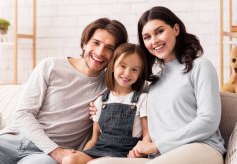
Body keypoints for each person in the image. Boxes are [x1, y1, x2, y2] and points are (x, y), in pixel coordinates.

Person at [0, 18, 128, 164]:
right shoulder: (52, 66)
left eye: (109, 48)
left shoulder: (111, 84)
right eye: (96, 43)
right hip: (12, 140)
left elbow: (139, 81)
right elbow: (23, 114)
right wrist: (56, 151)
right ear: (85, 42)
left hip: (43, 158)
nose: (100, 52)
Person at [88, 6, 226, 164]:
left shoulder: (200, 66)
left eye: (159, 31)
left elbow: (208, 121)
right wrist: (102, 99)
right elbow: (125, 92)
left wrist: (155, 146)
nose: (154, 41)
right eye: (147, 37)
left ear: (175, 29)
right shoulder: (154, 81)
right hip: (161, 155)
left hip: (201, 148)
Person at [62, 43, 151, 164]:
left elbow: (147, 136)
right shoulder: (101, 101)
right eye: (122, 66)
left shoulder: (142, 99)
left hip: (127, 152)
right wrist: (81, 153)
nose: (127, 73)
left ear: (140, 73)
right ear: (113, 66)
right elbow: (94, 139)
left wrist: (139, 151)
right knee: (69, 160)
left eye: (134, 69)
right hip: (100, 149)